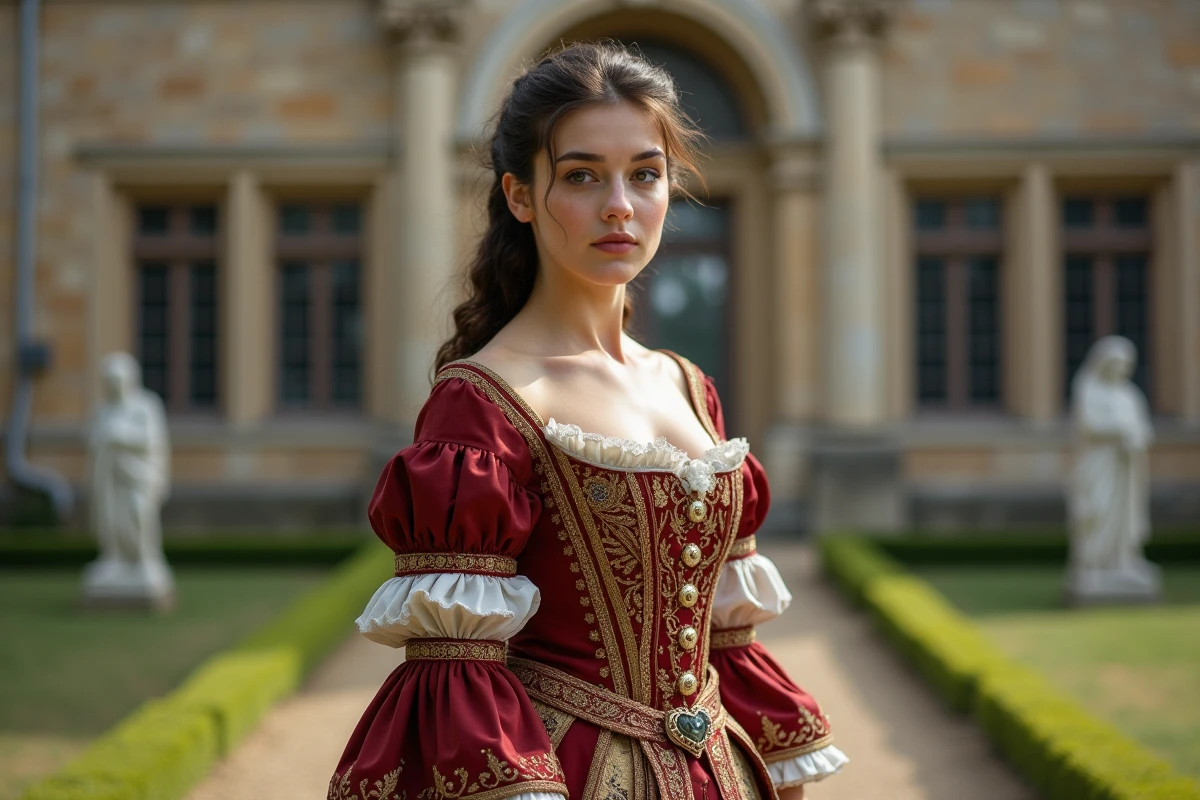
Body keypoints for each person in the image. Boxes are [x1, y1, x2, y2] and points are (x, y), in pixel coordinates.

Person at [329, 42, 847, 800]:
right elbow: (457, 672)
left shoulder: (689, 387)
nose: (620, 205)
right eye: (581, 176)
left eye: (645, 173)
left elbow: (728, 646)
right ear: (520, 196)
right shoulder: (483, 399)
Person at [1066, 335, 1159, 600]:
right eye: (1116, 364)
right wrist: (1121, 433)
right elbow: (1088, 425)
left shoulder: (1129, 394)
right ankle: (1093, 565)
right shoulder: (1088, 389)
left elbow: (1144, 427)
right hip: (1100, 465)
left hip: (1126, 468)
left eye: (1126, 364)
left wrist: (1137, 436)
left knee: (1126, 514)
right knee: (1097, 511)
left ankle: (1124, 561)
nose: (1121, 370)